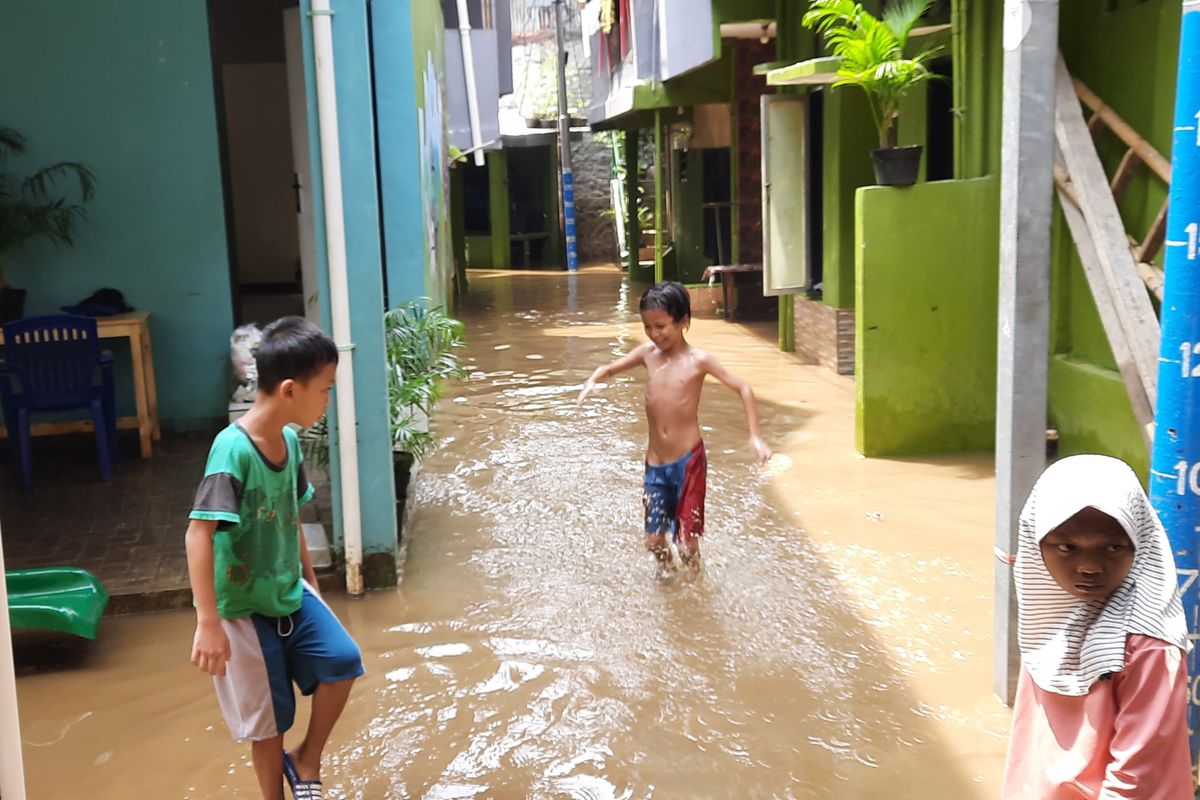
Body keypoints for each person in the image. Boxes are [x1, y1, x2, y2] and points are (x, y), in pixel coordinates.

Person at [186, 316, 363, 800]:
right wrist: (208, 622)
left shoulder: (287, 440)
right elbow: (198, 535)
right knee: (268, 723)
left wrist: (311, 580)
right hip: (242, 611)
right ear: (289, 389)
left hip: (290, 592)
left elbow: (290, 514)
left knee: (343, 661)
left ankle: (307, 758)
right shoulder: (232, 451)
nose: (327, 401)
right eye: (324, 390)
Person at [1003, 454, 1192, 799]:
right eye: (1067, 547)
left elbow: (1137, 775)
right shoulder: (1048, 611)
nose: (1089, 567)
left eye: (1113, 547)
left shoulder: (1146, 645)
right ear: (1035, 543)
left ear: (1140, 545)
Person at [576, 281, 771, 574]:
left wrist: (755, 437)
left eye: (661, 326)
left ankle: (694, 586)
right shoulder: (646, 354)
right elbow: (609, 370)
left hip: (688, 461)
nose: (654, 334)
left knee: (686, 542)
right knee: (654, 541)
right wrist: (592, 381)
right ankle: (669, 580)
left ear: (683, 321)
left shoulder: (698, 361)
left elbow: (743, 388)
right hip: (656, 464)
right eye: (647, 327)